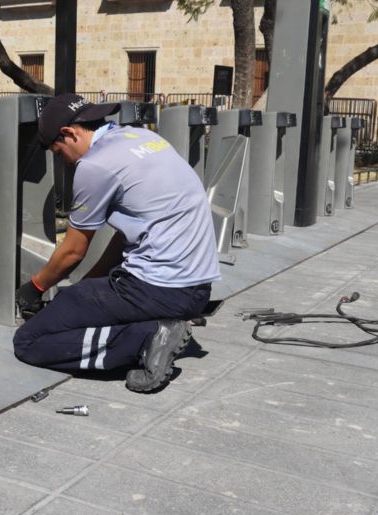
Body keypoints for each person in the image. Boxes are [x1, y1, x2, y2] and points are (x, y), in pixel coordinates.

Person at [12, 93, 221, 392]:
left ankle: (147, 339)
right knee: (76, 300)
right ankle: (159, 327)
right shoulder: (141, 137)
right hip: (196, 288)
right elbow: (129, 234)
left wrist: (34, 288)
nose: (64, 163)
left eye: (58, 153)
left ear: (69, 134)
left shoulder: (95, 165)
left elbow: (73, 251)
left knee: (29, 340)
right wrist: (85, 288)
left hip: (158, 289)